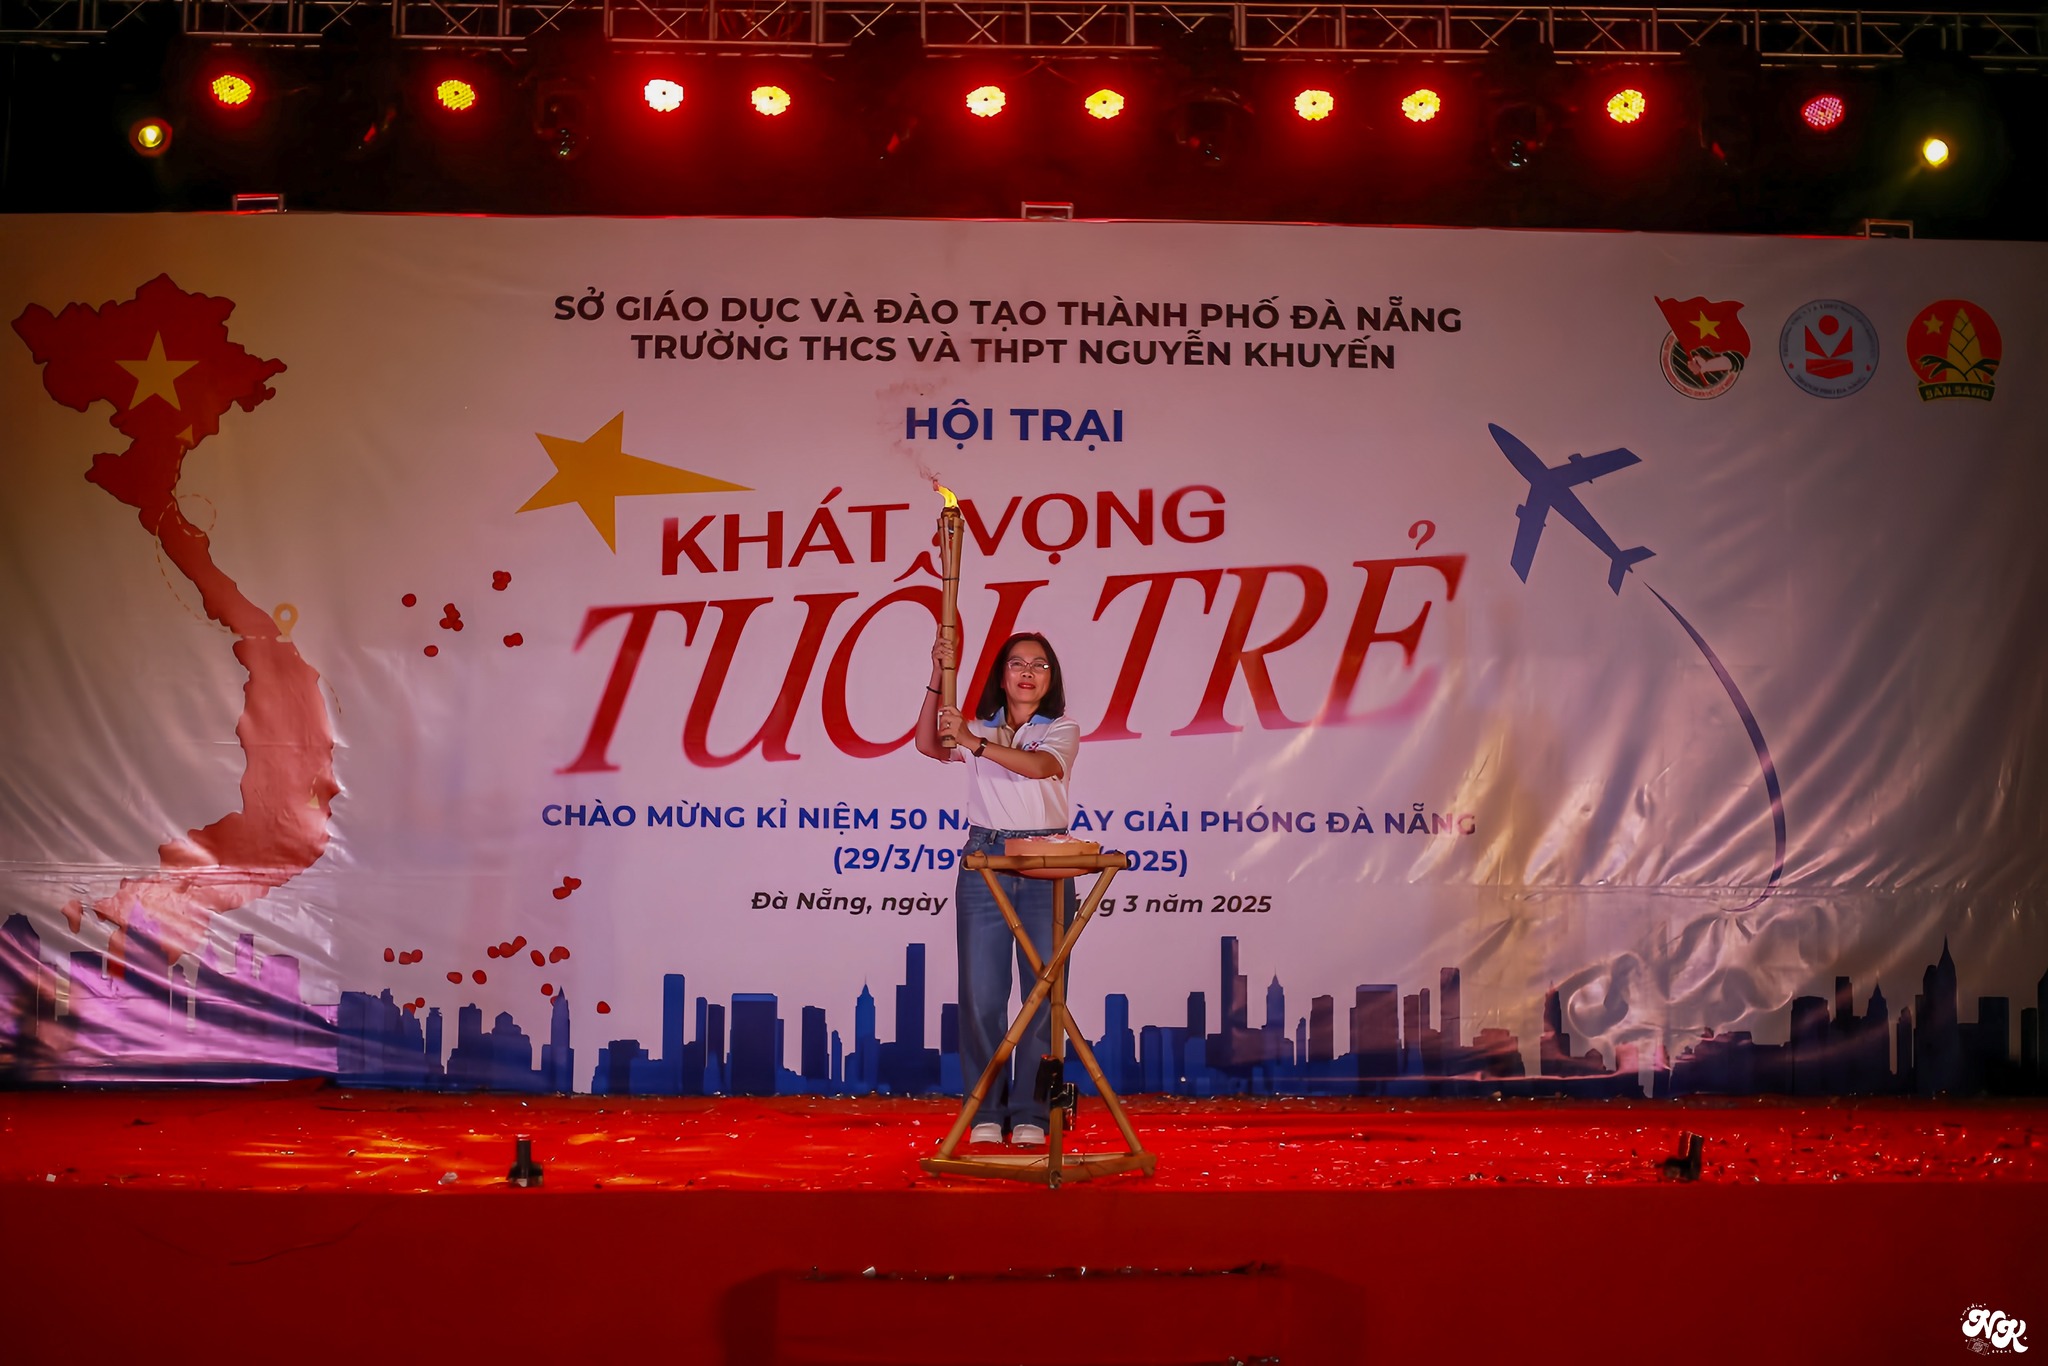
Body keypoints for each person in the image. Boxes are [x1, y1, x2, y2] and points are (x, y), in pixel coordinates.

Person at [915, 628, 1080, 1147]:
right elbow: (928, 744)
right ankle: (986, 1109)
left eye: (1039, 665)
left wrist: (975, 743)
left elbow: (1041, 768)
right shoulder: (979, 728)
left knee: (1042, 995)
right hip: (984, 857)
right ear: (1002, 677)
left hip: (1046, 862)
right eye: (1017, 664)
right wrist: (938, 674)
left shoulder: (1060, 729)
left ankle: (1031, 1111)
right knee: (981, 995)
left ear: (1050, 679)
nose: (1028, 672)